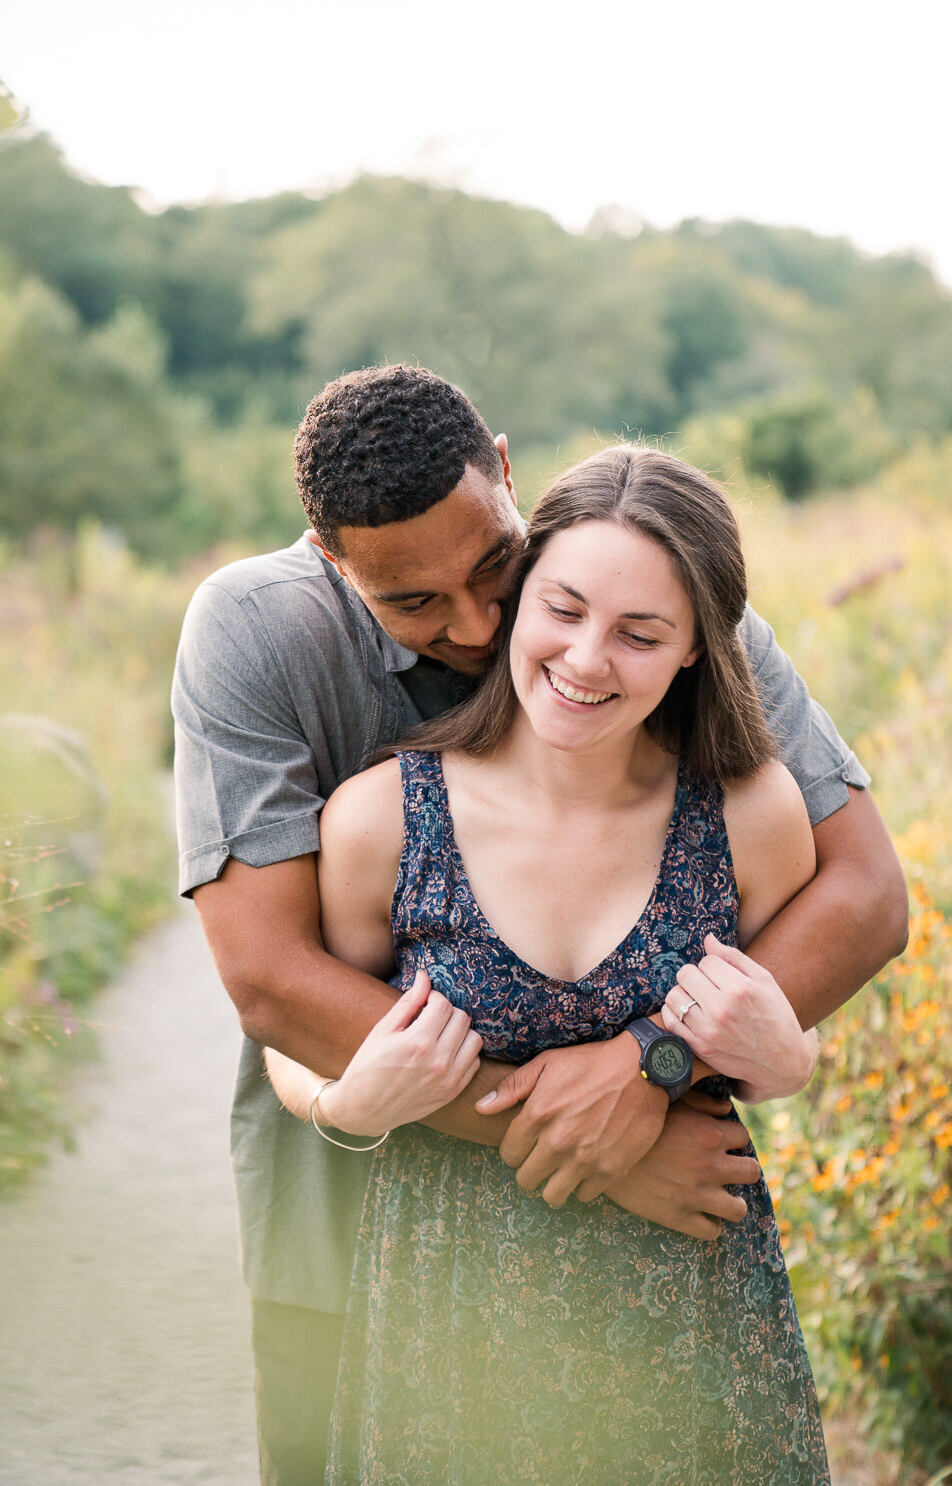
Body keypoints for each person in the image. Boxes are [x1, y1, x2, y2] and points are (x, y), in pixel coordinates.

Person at [171, 366, 907, 1485]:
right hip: (355, 1198)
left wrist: (648, 1068)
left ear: (506, 476)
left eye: (492, 570)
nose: (476, 624)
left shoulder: (623, 592)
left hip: (663, 1266)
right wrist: (597, 1149)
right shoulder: (260, 634)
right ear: (333, 562)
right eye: (413, 604)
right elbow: (274, 982)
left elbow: (863, 893)